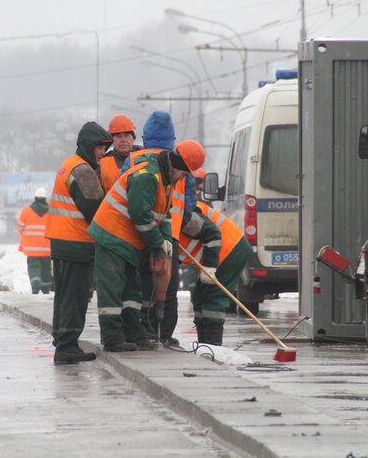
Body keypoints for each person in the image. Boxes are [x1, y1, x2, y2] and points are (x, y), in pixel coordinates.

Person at [88, 139, 206, 352]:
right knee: (112, 288)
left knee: (132, 288)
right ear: (176, 165)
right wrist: (158, 242)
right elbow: (141, 216)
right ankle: (112, 338)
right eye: (185, 174)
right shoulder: (147, 177)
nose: (184, 179)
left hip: (128, 240)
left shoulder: (165, 180)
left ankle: (134, 332)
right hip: (111, 235)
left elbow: (165, 215)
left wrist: (167, 240)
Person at [45, 121, 113, 365]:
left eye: (105, 148)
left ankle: (62, 340)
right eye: (99, 147)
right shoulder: (83, 171)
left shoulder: (68, 165)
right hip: (76, 242)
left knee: (63, 296)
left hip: (62, 240)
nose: (102, 152)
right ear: (87, 146)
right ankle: (67, 348)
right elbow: (94, 210)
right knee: (75, 297)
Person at [177, 202, 252, 346]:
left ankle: (213, 347)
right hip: (209, 256)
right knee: (199, 297)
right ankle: (204, 347)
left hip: (229, 250)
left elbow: (213, 234)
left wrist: (210, 267)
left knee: (213, 298)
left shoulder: (183, 214)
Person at [18, 187, 52, 294]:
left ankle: (35, 286)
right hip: (46, 247)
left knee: (33, 267)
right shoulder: (51, 212)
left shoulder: (26, 211)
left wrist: (26, 237)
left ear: (35, 198)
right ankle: (46, 288)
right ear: (45, 198)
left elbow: (20, 227)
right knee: (46, 267)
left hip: (31, 248)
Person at [100, 114, 141, 190]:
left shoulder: (145, 157)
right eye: (118, 136)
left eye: (127, 135)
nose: (123, 140)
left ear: (133, 138)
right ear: (112, 140)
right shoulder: (102, 163)